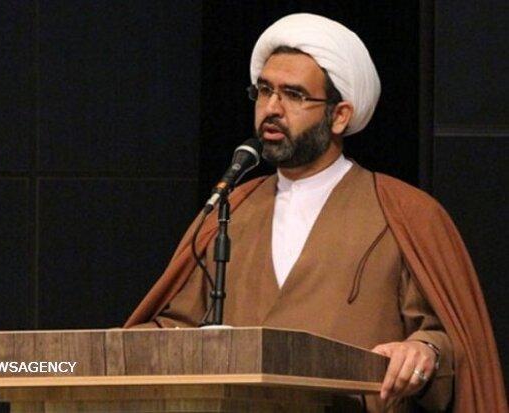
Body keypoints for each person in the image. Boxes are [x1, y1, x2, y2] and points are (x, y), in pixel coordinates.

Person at [124, 14, 507, 413]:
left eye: (294, 95)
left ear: (339, 115)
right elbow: (176, 328)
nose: (272, 108)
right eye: (264, 91)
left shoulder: (404, 213)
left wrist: (423, 351)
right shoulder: (232, 208)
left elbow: (446, 341)